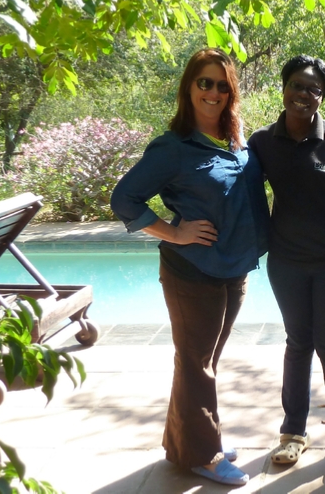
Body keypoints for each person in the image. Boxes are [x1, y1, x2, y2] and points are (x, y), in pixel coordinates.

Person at [110, 48, 269, 487]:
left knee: (203, 361)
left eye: (222, 84)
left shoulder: (237, 141)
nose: (213, 92)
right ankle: (205, 454)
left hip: (233, 268)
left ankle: (184, 444)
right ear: (188, 87)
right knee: (197, 362)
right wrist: (173, 232)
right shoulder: (173, 148)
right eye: (204, 82)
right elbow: (124, 198)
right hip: (192, 272)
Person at [247, 55, 325, 475]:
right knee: (298, 344)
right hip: (287, 262)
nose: (304, 94)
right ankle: (293, 433)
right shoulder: (262, 142)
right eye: (297, 85)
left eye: (314, 88)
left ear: (322, 96)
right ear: (284, 88)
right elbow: (235, 190)